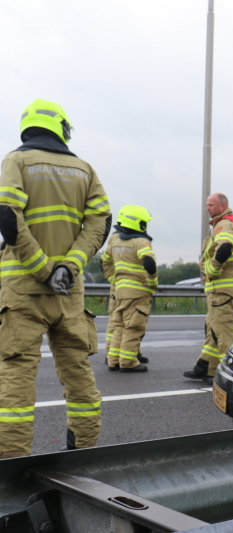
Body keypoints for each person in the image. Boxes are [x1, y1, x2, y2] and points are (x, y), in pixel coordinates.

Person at [0, 99, 111, 457]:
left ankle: (12, 468)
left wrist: (44, 270)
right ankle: (84, 452)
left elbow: (7, 217)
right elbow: (101, 223)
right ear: (62, 128)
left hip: (23, 293)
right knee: (79, 374)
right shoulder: (84, 169)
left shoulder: (16, 162)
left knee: (16, 378)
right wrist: (69, 267)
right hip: (69, 295)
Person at [183, 193, 233, 383]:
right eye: (207, 205)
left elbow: (225, 247)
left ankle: (231, 376)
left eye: (211, 205)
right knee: (214, 331)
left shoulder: (225, 224)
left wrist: (212, 270)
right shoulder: (229, 222)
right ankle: (206, 367)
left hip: (223, 290)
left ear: (223, 206)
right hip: (222, 291)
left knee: (225, 334)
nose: (207, 209)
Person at [103, 206, 157, 373]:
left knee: (119, 326)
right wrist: (152, 283)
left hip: (120, 291)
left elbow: (104, 261)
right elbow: (149, 262)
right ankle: (127, 362)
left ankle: (113, 360)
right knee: (133, 327)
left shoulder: (115, 240)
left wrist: (115, 280)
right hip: (137, 292)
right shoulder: (140, 242)